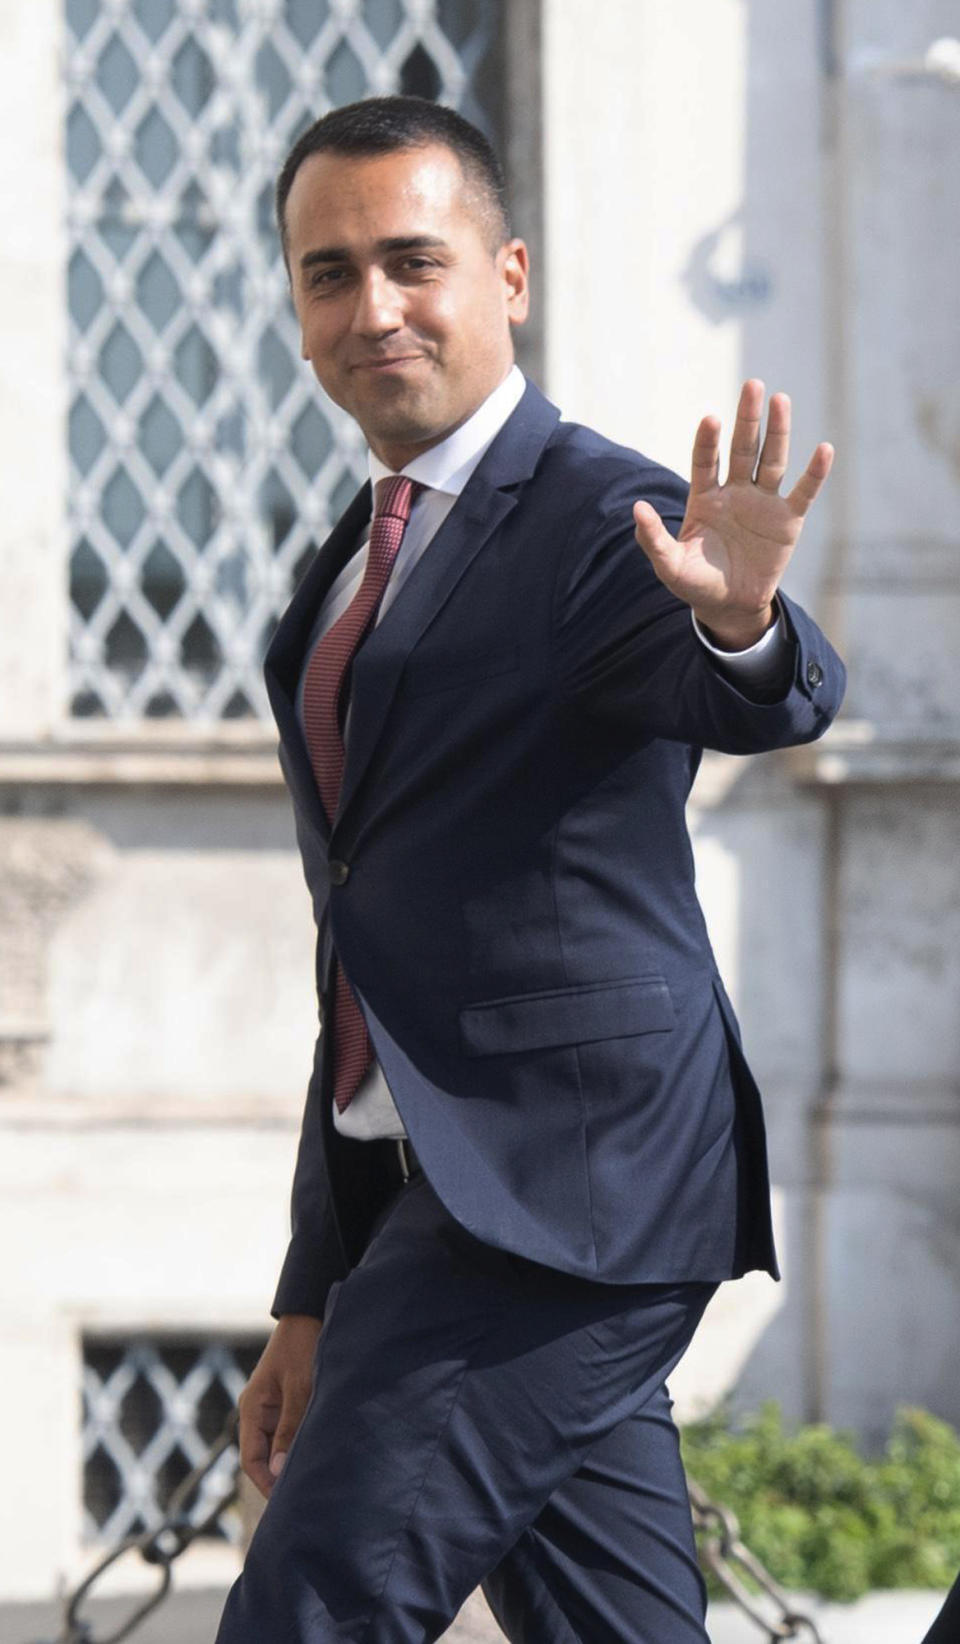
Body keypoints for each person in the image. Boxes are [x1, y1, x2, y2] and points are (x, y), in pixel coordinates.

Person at [215, 95, 845, 1644]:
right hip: (463, 1204)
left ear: (508, 276)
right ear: (296, 314)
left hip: (567, 1200)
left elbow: (765, 686)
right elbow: (363, 948)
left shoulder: (603, 520)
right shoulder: (348, 565)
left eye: (413, 262)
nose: (373, 309)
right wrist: (316, 1286)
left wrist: (742, 620)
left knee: (308, 1609)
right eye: (328, 273)